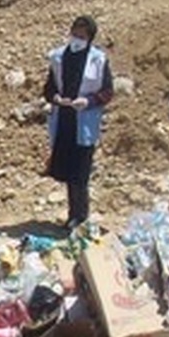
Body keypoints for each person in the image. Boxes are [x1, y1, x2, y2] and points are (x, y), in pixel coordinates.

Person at [42, 15, 114, 231]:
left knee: (80, 173)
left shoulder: (98, 60)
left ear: (90, 39)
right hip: (65, 120)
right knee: (67, 170)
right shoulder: (58, 57)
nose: (77, 39)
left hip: (84, 122)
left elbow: (107, 92)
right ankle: (73, 213)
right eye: (75, 34)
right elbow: (49, 88)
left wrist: (89, 101)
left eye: (82, 36)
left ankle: (79, 215)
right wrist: (55, 98)